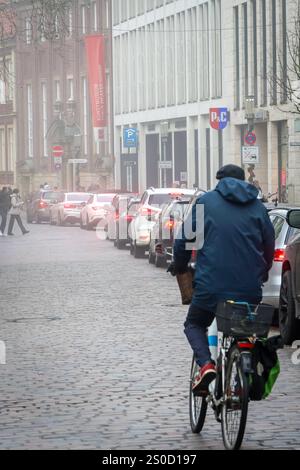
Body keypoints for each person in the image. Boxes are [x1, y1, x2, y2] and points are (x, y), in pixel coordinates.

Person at [172, 164, 275, 395]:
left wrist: (179, 265)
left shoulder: (205, 203)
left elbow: (184, 243)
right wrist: (263, 271)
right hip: (249, 289)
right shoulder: (258, 207)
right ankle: (241, 379)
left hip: (211, 288)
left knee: (194, 324)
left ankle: (207, 365)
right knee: (244, 330)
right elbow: (269, 246)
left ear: (219, 180)